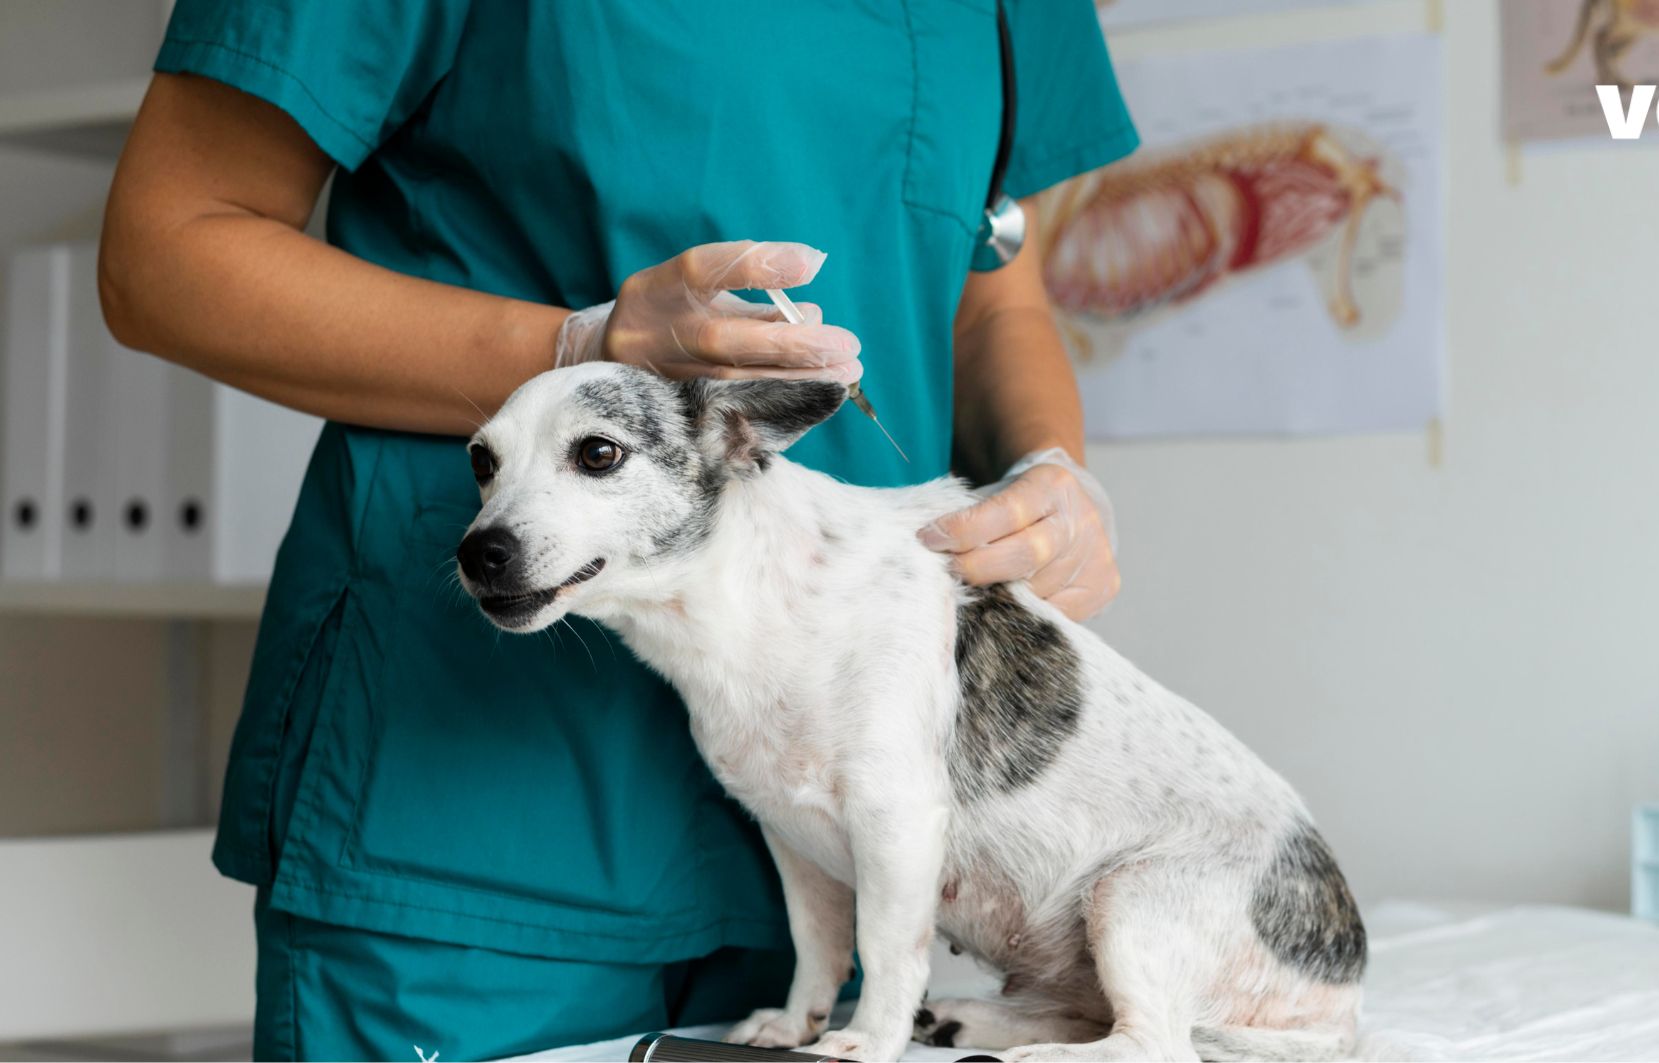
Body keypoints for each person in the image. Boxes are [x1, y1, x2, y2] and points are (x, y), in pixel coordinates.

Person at [100, 2, 1136, 1058]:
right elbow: (167, 248)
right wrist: (576, 345)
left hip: (849, 802)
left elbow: (993, 293)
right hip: (484, 795)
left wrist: (1055, 472)